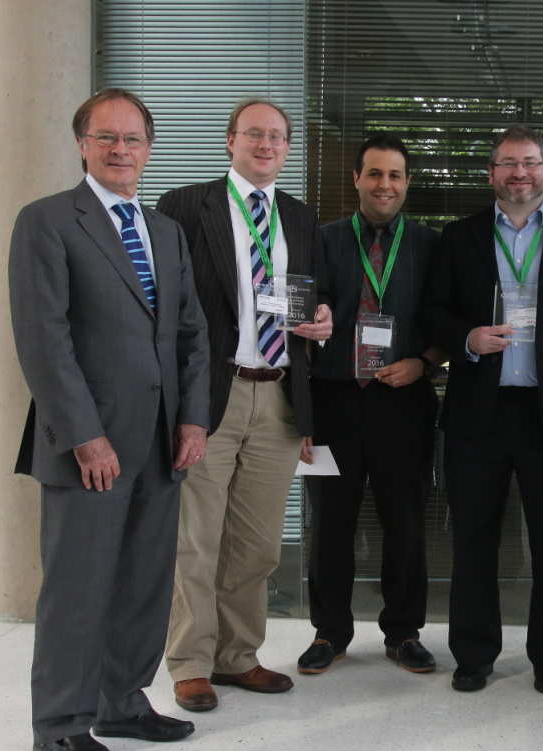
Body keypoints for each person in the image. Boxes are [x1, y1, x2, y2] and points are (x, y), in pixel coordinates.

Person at [10, 87, 210, 751]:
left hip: (160, 441)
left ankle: (123, 700)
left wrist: (192, 417)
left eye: (133, 140)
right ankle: (61, 722)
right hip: (89, 443)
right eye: (107, 138)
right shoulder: (47, 222)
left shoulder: (165, 231)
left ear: (149, 150)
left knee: (144, 581)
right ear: (82, 144)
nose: (121, 150)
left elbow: (191, 332)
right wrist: (83, 434)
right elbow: (45, 340)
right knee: (80, 584)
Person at [424, 125, 543, 695]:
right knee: (474, 539)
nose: (519, 174)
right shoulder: (459, 237)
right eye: (507, 163)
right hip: (478, 414)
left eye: (529, 163)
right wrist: (467, 337)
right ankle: (474, 654)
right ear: (491, 174)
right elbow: (432, 312)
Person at [157, 99, 332, 712]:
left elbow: (311, 299)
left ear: (288, 149)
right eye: (254, 134)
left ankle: (237, 656)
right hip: (211, 396)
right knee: (195, 541)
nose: (266, 144)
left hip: (280, 394)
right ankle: (190, 662)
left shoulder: (301, 218)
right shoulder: (184, 206)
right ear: (229, 141)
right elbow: (164, 306)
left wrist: (323, 321)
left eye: (277, 136)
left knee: (256, 545)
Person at [297, 133, 444, 675]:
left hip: (402, 401)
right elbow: (305, 304)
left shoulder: (431, 245)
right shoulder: (323, 239)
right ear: (357, 179)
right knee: (330, 524)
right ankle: (329, 634)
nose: (386, 185)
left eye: (396, 176)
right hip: (333, 400)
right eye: (376, 174)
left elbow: (447, 318)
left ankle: (403, 633)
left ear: (407, 183)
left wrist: (424, 363)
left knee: (404, 523)